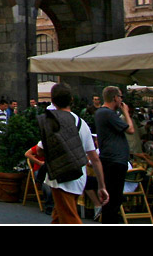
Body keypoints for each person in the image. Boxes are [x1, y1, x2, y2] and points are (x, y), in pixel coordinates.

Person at [37, 82, 108, 224]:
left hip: (59, 176)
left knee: (69, 217)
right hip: (78, 176)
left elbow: (39, 150)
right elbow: (94, 158)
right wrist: (101, 186)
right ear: (71, 100)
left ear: (52, 101)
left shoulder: (51, 122)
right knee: (59, 215)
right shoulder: (81, 123)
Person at [94, 85, 135, 223]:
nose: (122, 100)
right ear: (115, 98)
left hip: (111, 158)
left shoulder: (101, 113)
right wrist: (126, 112)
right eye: (121, 97)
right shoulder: (108, 113)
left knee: (112, 197)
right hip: (115, 159)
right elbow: (130, 129)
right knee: (114, 198)